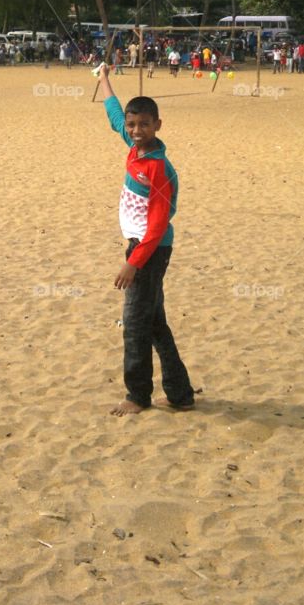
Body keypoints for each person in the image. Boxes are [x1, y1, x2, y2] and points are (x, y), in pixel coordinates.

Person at [97, 64, 196, 416]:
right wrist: (103, 79)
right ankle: (180, 394)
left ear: (158, 125)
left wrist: (132, 262)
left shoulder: (158, 168)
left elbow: (156, 227)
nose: (136, 130)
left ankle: (137, 396)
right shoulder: (134, 147)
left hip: (149, 251)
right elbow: (113, 115)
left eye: (144, 124)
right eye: (132, 124)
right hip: (140, 248)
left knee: (136, 324)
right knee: (154, 323)